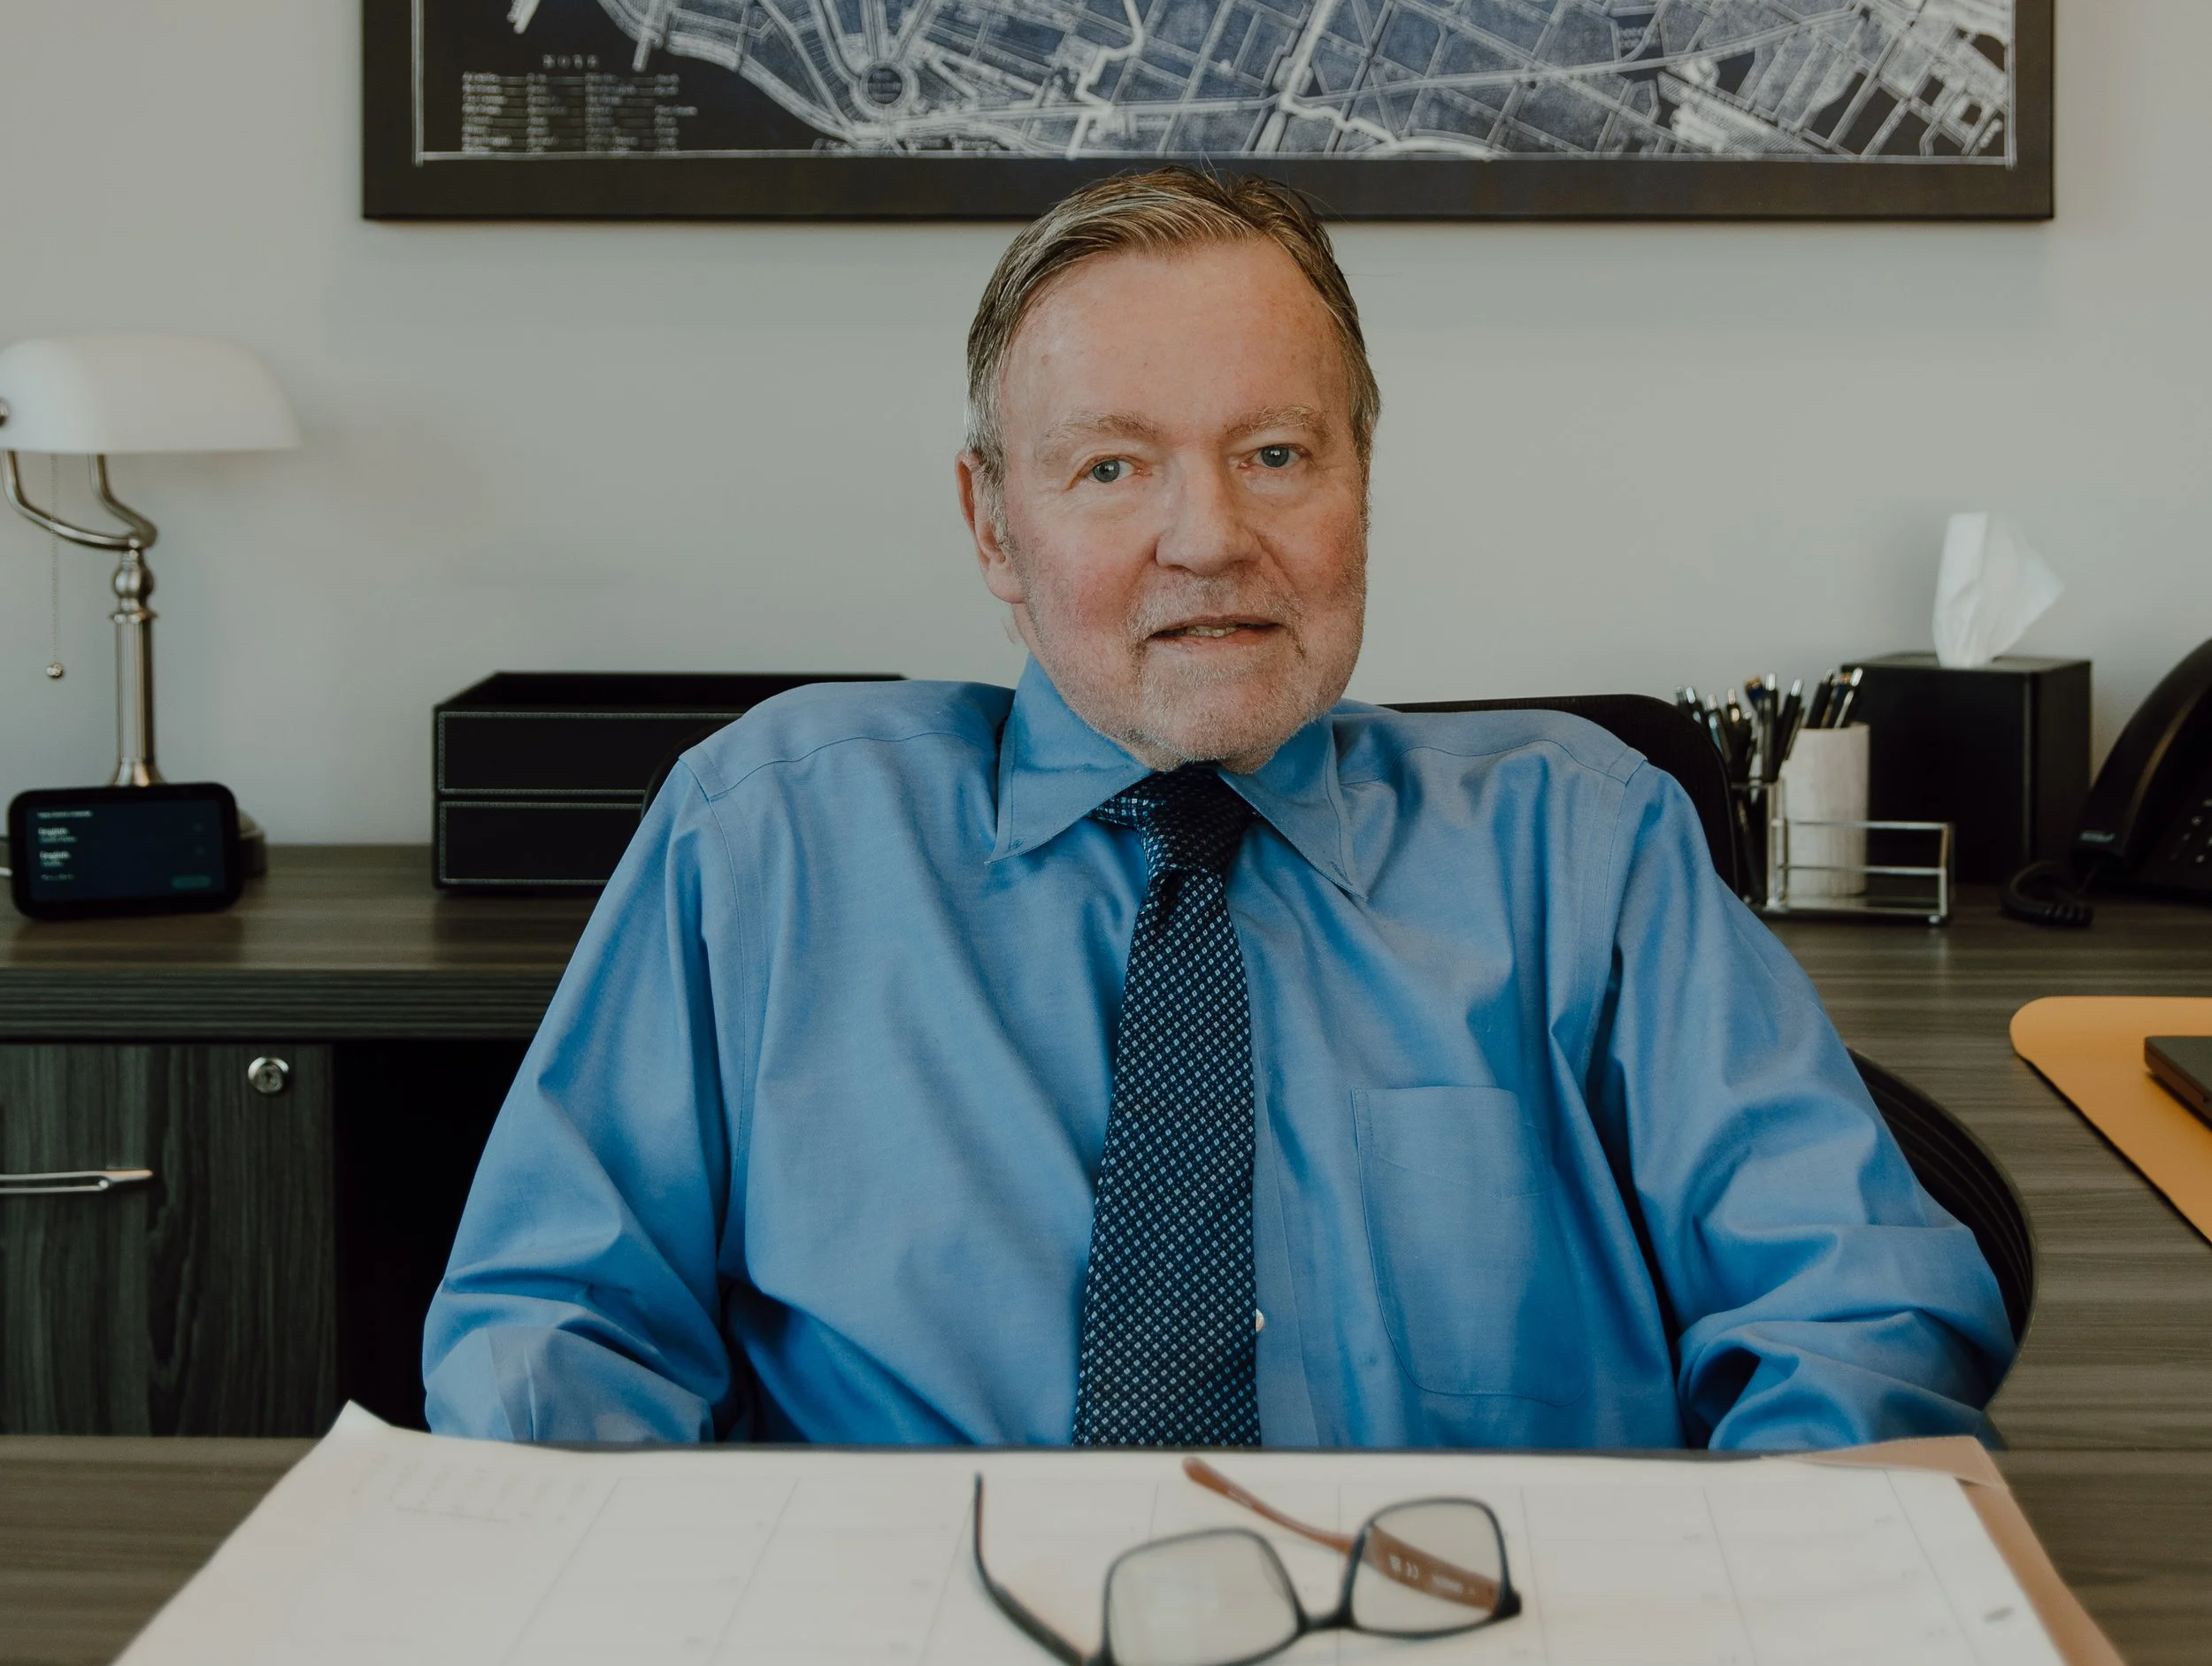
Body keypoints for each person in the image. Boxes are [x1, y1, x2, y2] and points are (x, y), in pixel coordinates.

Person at [425, 169, 2012, 1454]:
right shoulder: (769, 837)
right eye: (1111, 468)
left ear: (1360, 483)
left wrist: (1778, 1656)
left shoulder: (1589, 849)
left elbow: (1857, 1322)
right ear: (993, 523)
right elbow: (550, 1347)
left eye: (1275, 453)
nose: (1210, 536)